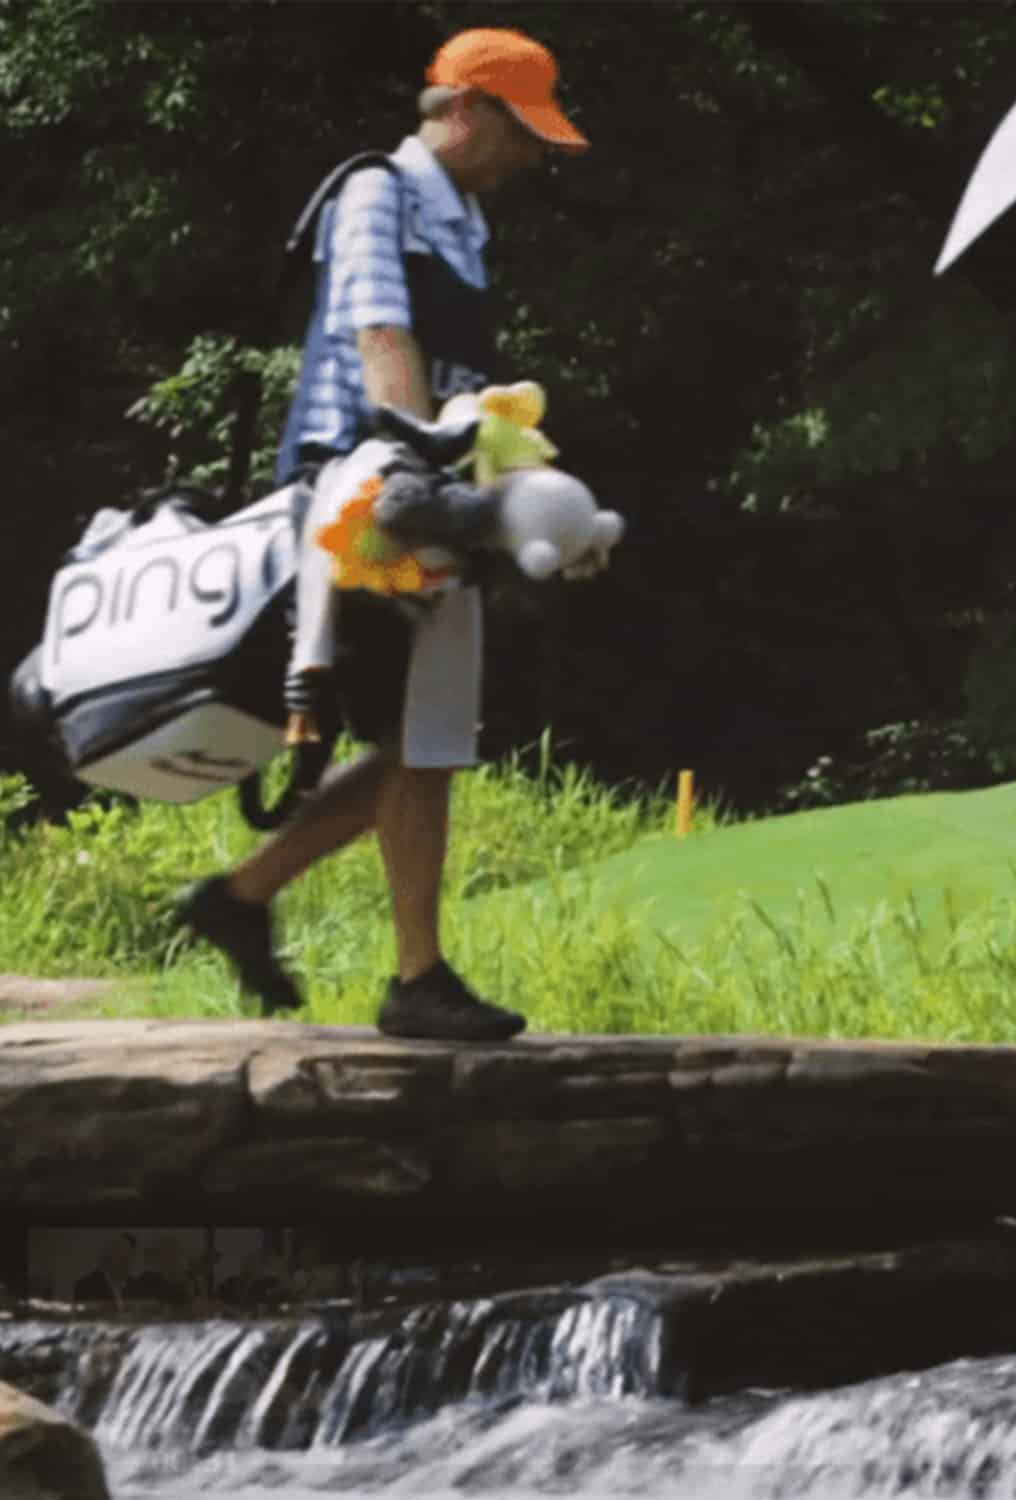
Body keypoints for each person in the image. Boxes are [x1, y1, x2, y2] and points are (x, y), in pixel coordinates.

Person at [174, 29, 593, 1042]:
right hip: (364, 490)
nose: (532, 156)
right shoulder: (381, 194)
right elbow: (379, 334)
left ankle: (246, 899)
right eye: (521, 132)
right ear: (461, 110)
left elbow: (464, 382)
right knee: (422, 732)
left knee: (427, 741)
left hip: (431, 482)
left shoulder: (466, 220)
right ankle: (412, 978)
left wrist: (510, 479)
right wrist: (417, 464)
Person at [73, 1232, 137, 1305]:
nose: (125, 1263)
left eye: (128, 1258)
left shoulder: (135, 1286)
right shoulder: (85, 1287)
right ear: (107, 1256)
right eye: (119, 1254)